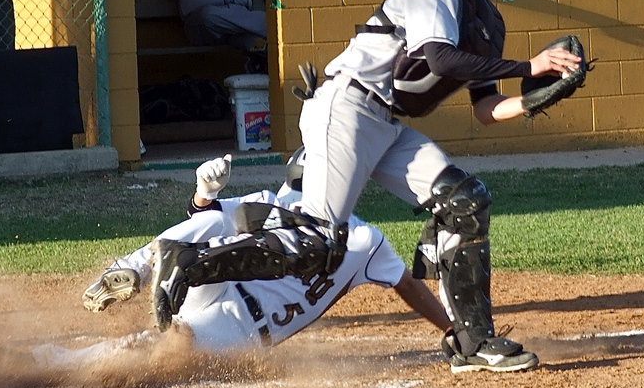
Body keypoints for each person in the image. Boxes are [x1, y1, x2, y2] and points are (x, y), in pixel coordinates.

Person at [146, 0, 583, 373]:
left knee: (465, 200)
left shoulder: (487, 20)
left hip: (385, 122)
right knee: (321, 244)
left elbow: (484, 109)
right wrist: (529, 66)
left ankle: (472, 342)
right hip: (348, 104)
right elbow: (439, 58)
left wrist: (532, 100)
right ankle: (187, 261)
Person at [60, 152, 451, 361]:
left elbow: (405, 282)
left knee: (153, 351)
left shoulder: (363, 240)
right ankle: (140, 268)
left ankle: (50, 361)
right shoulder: (286, 208)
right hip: (226, 300)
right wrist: (204, 193)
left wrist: (204, 200)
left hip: (234, 324)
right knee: (220, 219)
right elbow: (410, 285)